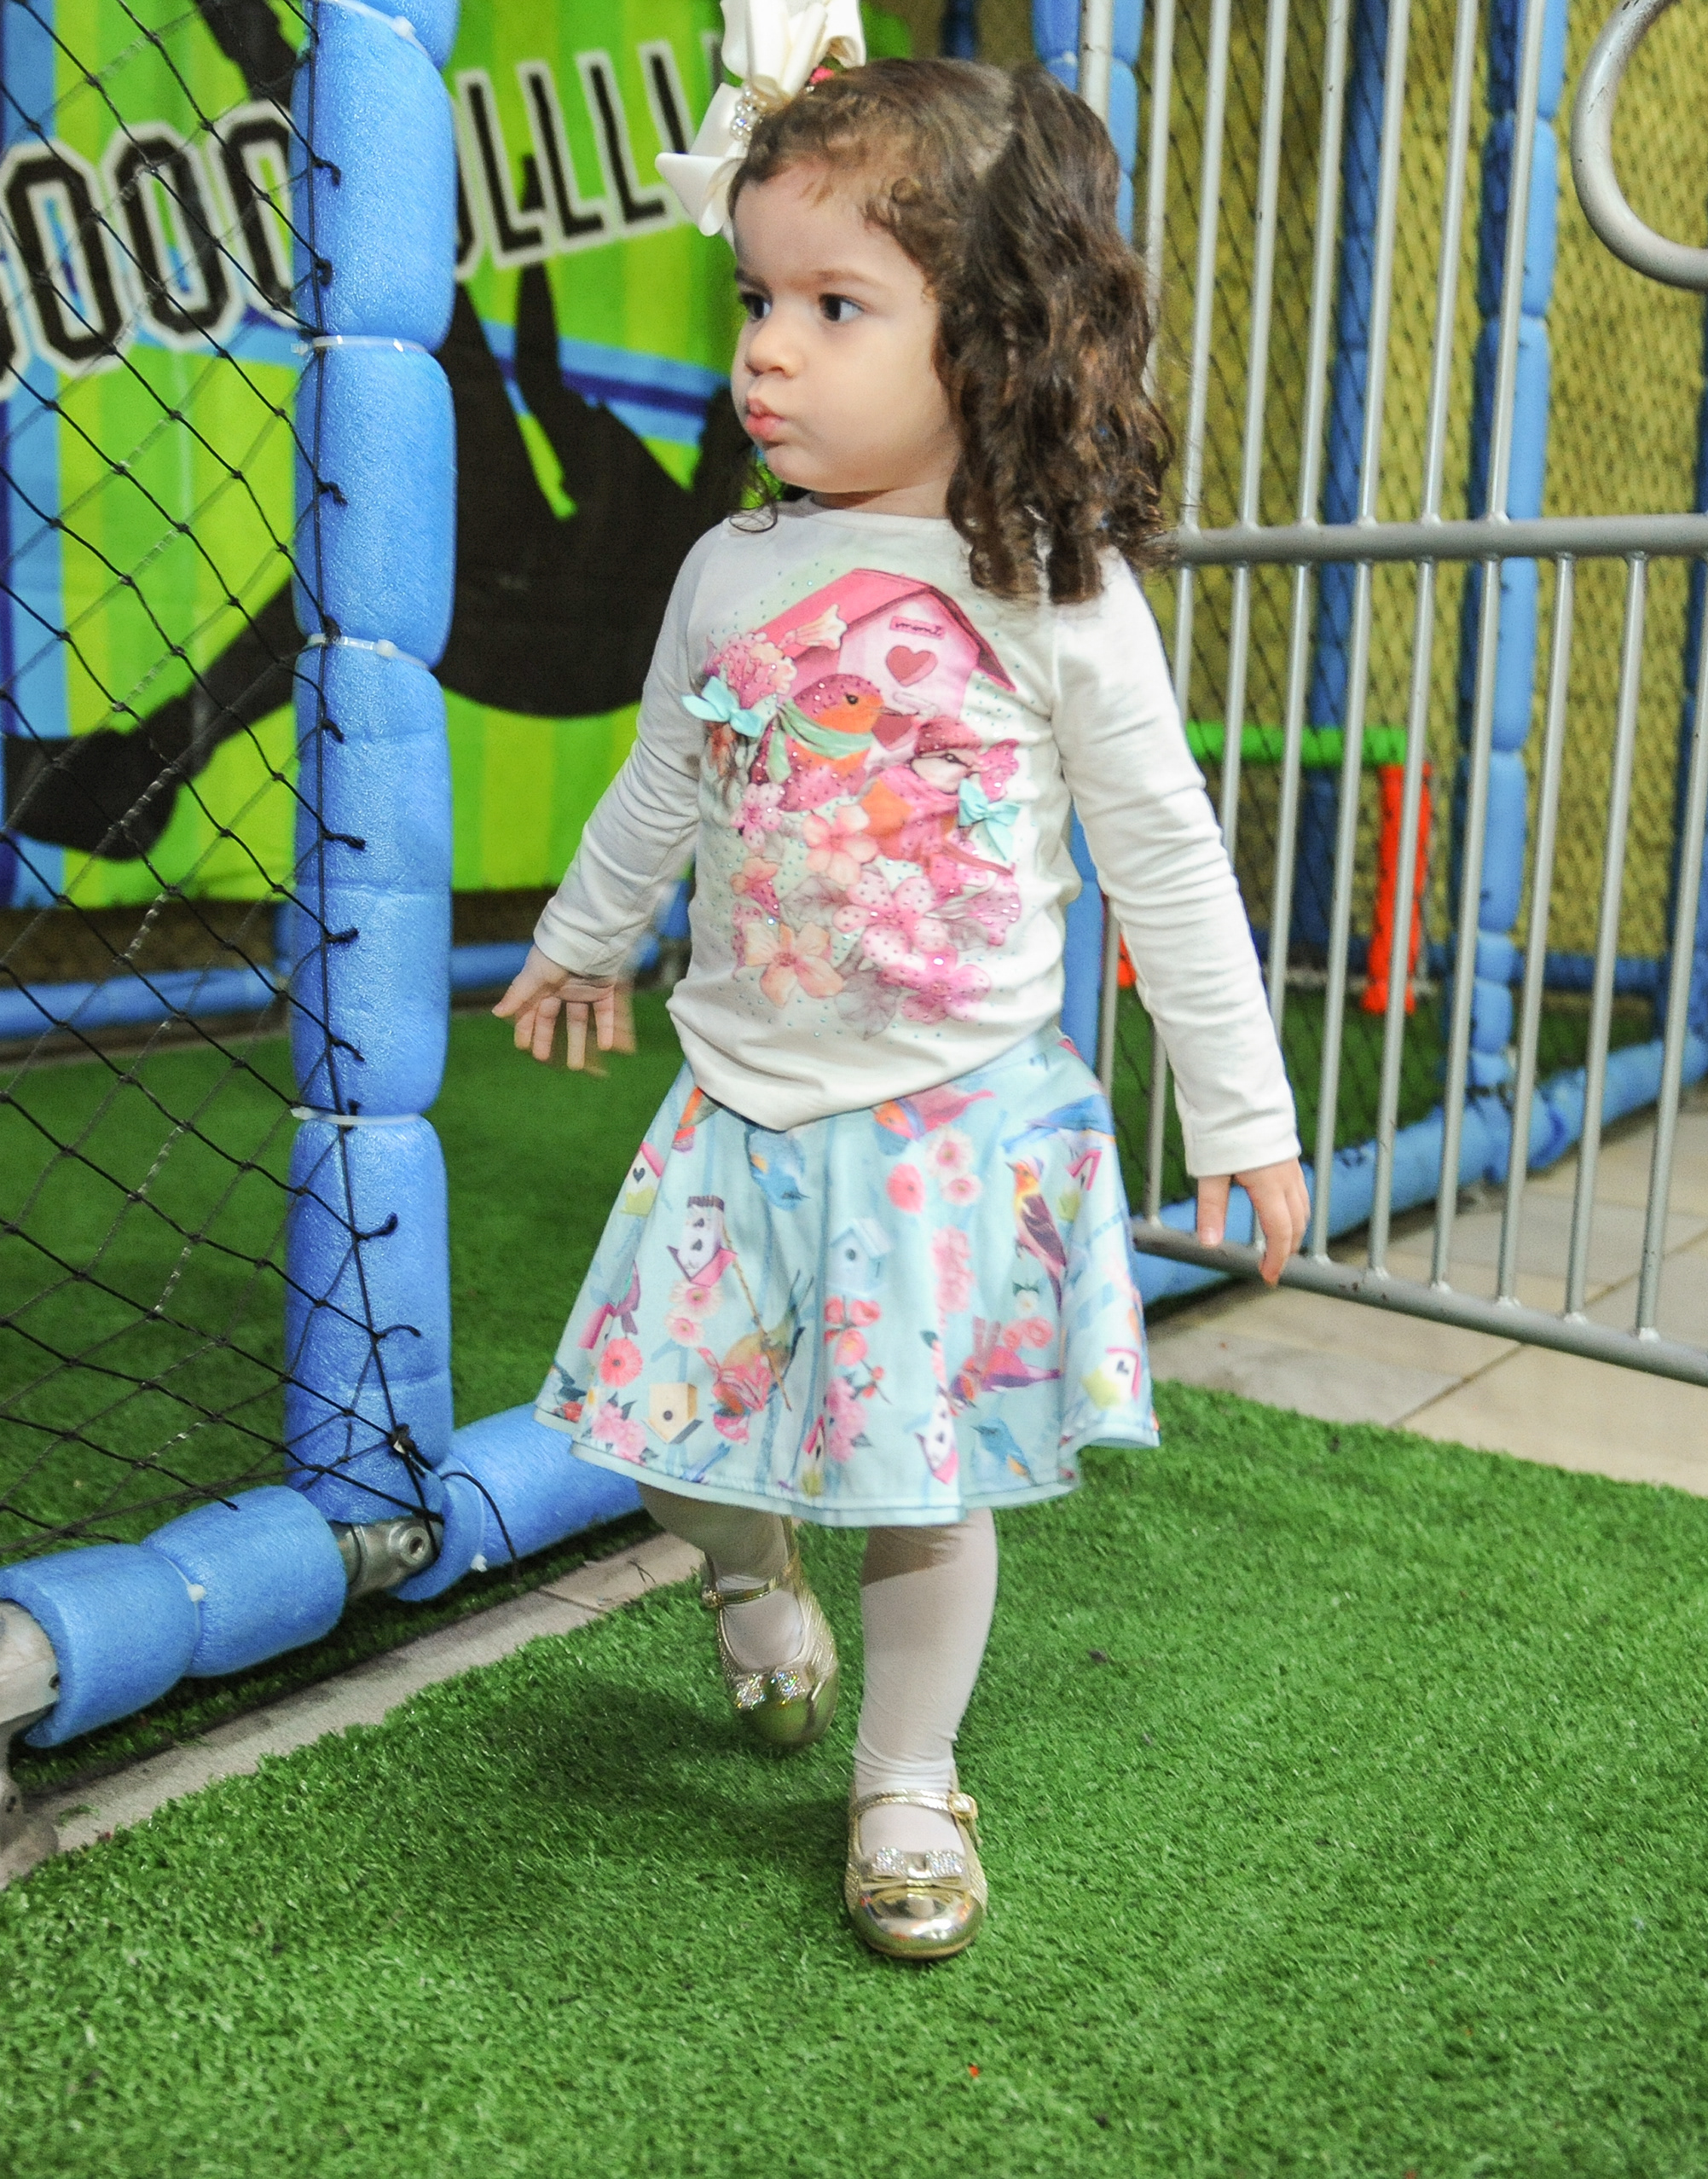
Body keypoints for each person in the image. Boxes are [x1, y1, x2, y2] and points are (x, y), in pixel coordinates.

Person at [493, 12, 1308, 1962]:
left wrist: (1244, 1110)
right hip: (745, 1106)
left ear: (993, 337)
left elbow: (1168, 860)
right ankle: (742, 1576)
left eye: (836, 306)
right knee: (668, 1452)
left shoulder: (1059, 594)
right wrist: (585, 934)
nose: (766, 352)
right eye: (757, 300)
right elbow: (664, 778)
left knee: (924, 1493)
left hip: (952, 1121)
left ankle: (909, 1781)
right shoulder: (728, 572)